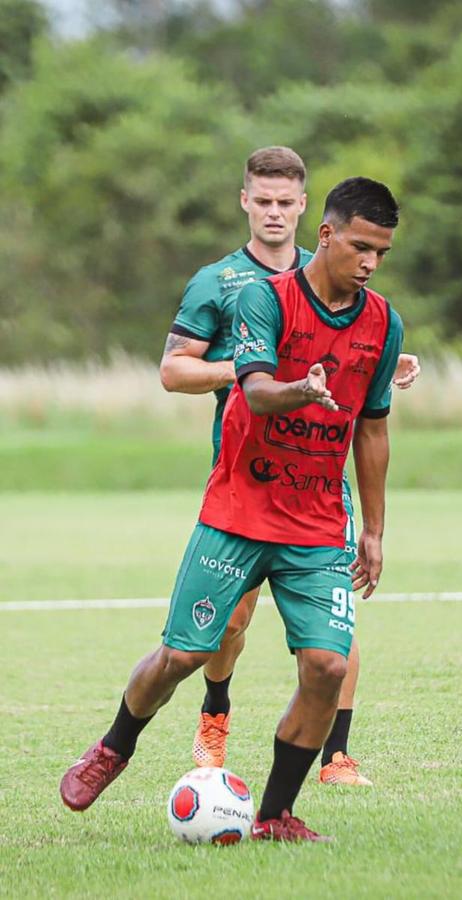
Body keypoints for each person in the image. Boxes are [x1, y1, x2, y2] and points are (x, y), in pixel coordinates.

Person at [61, 177, 406, 841]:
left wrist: (376, 530)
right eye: (361, 247)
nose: (369, 263)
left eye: (382, 253)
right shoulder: (261, 298)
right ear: (327, 234)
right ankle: (113, 747)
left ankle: (275, 815)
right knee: (183, 656)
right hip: (239, 512)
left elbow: (374, 426)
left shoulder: (383, 323)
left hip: (318, 522)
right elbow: (254, 390)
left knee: (329, 666)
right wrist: (300, 389)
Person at [161, 147, 418, 786]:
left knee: (335, 617)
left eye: (286, 202)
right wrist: (252, 371)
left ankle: (336, 753)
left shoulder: (335, 267)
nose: (275, 213)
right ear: (245, 202)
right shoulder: (218, 282)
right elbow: (172, 370)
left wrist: (394, 367)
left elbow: (358, 365)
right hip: (248, 471)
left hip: (321, 475)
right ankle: (215, 711)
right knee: (233, 619)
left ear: (307, 208)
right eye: (263, 201)